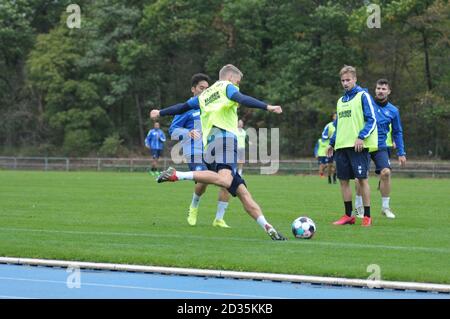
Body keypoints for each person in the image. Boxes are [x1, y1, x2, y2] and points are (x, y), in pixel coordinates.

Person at [150, 64, 286, 240]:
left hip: (211, 145)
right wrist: (268, 107)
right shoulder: (226, 87)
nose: (238, 85)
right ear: (230, 78)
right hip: (224, 139)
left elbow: (182, 106)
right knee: (224, 180)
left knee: (242, 192)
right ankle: (178, 175)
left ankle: (269, 228)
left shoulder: (205, 94)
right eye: (238, 81)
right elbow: (241, 98)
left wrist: (160, 112)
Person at [169, 73, 231, 228]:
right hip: (194, 151)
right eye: (201, 88)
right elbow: (172, 130)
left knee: (227, 181)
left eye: (207, 88)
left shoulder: (212, 107)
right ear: (193, 89)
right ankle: (194, 207)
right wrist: (187, 132)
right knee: (203, 180)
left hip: (212, 149)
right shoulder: (187, 108)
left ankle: (219, 219)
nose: (205, 91)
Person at [327, 65, 378, 227]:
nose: (345, 83)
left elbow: (372, 120)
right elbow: (340, 125)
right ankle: (348, 215)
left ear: (355, 79)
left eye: (348, 80)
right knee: (343, 181)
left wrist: (361, 137)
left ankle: (367, 216)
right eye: (343, 80)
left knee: (361, 180)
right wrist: (332, 143)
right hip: (341, 147)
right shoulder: (340, 101)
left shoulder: (363, 96)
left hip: (357, 147)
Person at [354, 79, 406, 219]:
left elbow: (397, 132)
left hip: (380, 146)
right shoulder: (367, 101)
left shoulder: (393, 111)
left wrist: (401, 152)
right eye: (378, 88)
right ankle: (358, 207)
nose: (380, 91)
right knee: (360, 177)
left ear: (388, 91)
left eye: (383, 89)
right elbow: (357, 89)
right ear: (375, 89)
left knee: (386, 173)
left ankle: (385, 207)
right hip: (364, 145)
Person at [320, 112, 337, 184]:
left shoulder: (342, 124)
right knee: (330, 165)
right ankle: (329, 177)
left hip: (339, 147)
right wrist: (329, 138)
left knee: (336, 164)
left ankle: (334, 177)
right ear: (333, 117)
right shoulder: (329, 125)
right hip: (331, 147)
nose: (336, 117)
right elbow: (324, 135)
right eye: (335, 116)